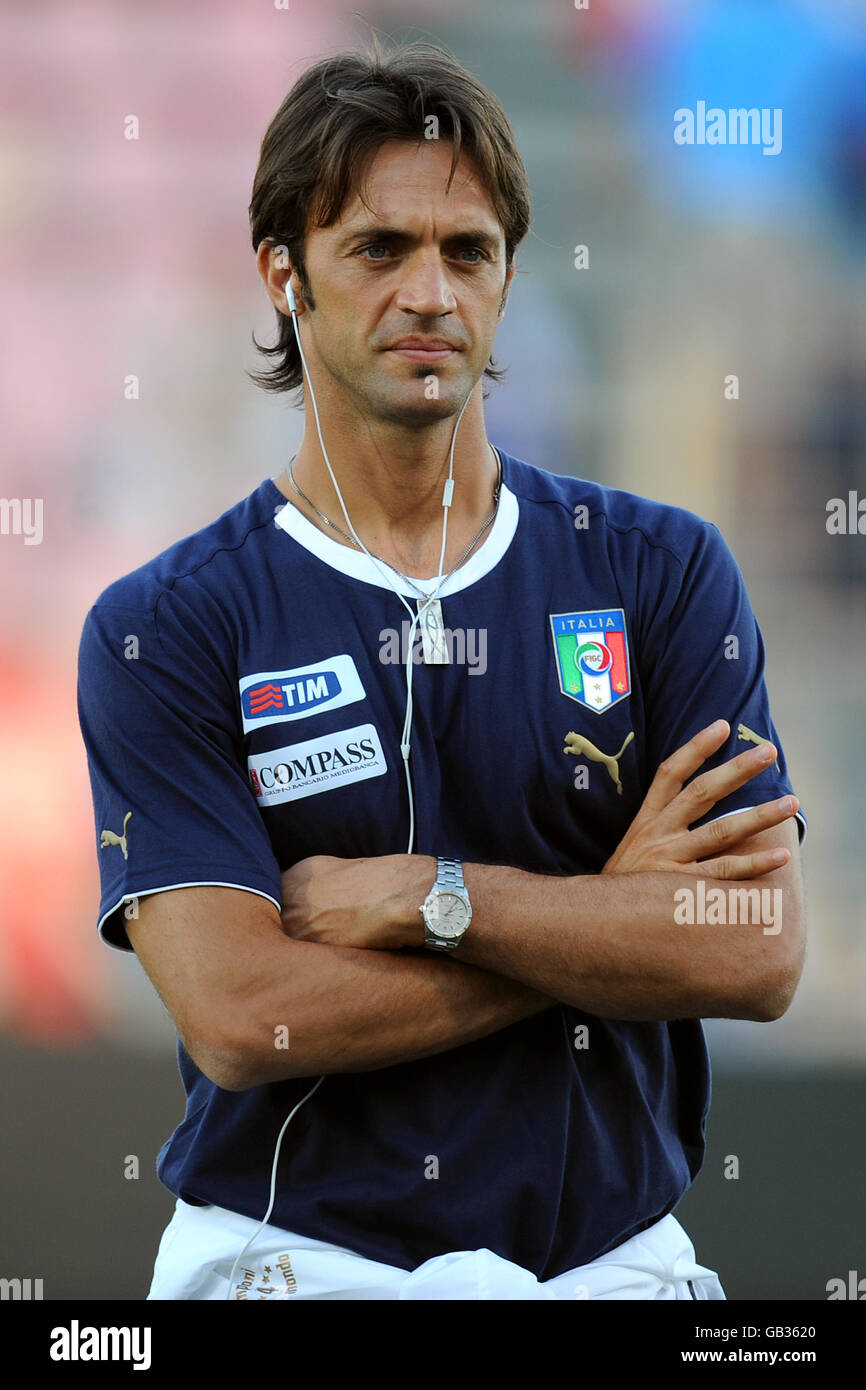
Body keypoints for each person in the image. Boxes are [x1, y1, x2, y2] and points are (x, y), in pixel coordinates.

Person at [77, 39, 806, 1301]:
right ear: (283, 275)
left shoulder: (661, 572)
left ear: (509, 279)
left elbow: (750, 948)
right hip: (289, 1263)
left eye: (466, 252)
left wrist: (434, 897)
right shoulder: (168, 624)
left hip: (609, 1267)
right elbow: (245, 1014)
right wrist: (601, 924)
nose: (430, 292)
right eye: (378, 248)